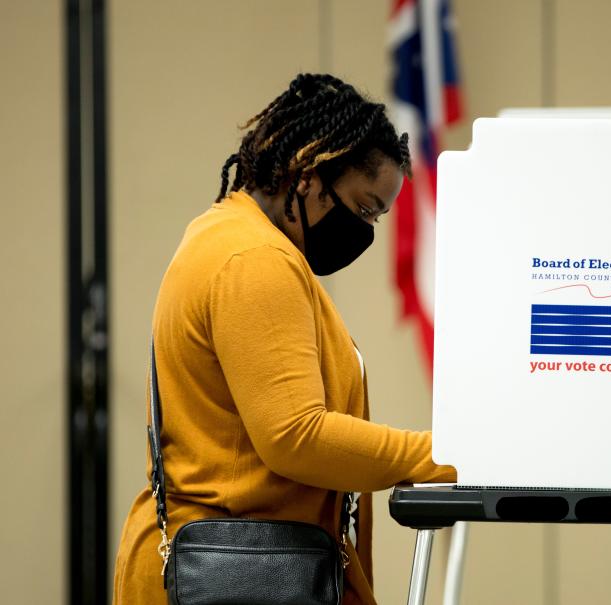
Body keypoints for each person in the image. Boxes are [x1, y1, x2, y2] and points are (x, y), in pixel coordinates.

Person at [113, 73, 455, 604]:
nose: (365, 230)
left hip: (230, 567)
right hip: (236, 575)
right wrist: (448, 454)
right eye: (364, 208)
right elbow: (296, 436)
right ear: (309, 173)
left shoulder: (226, 235)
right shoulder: (256, 261)